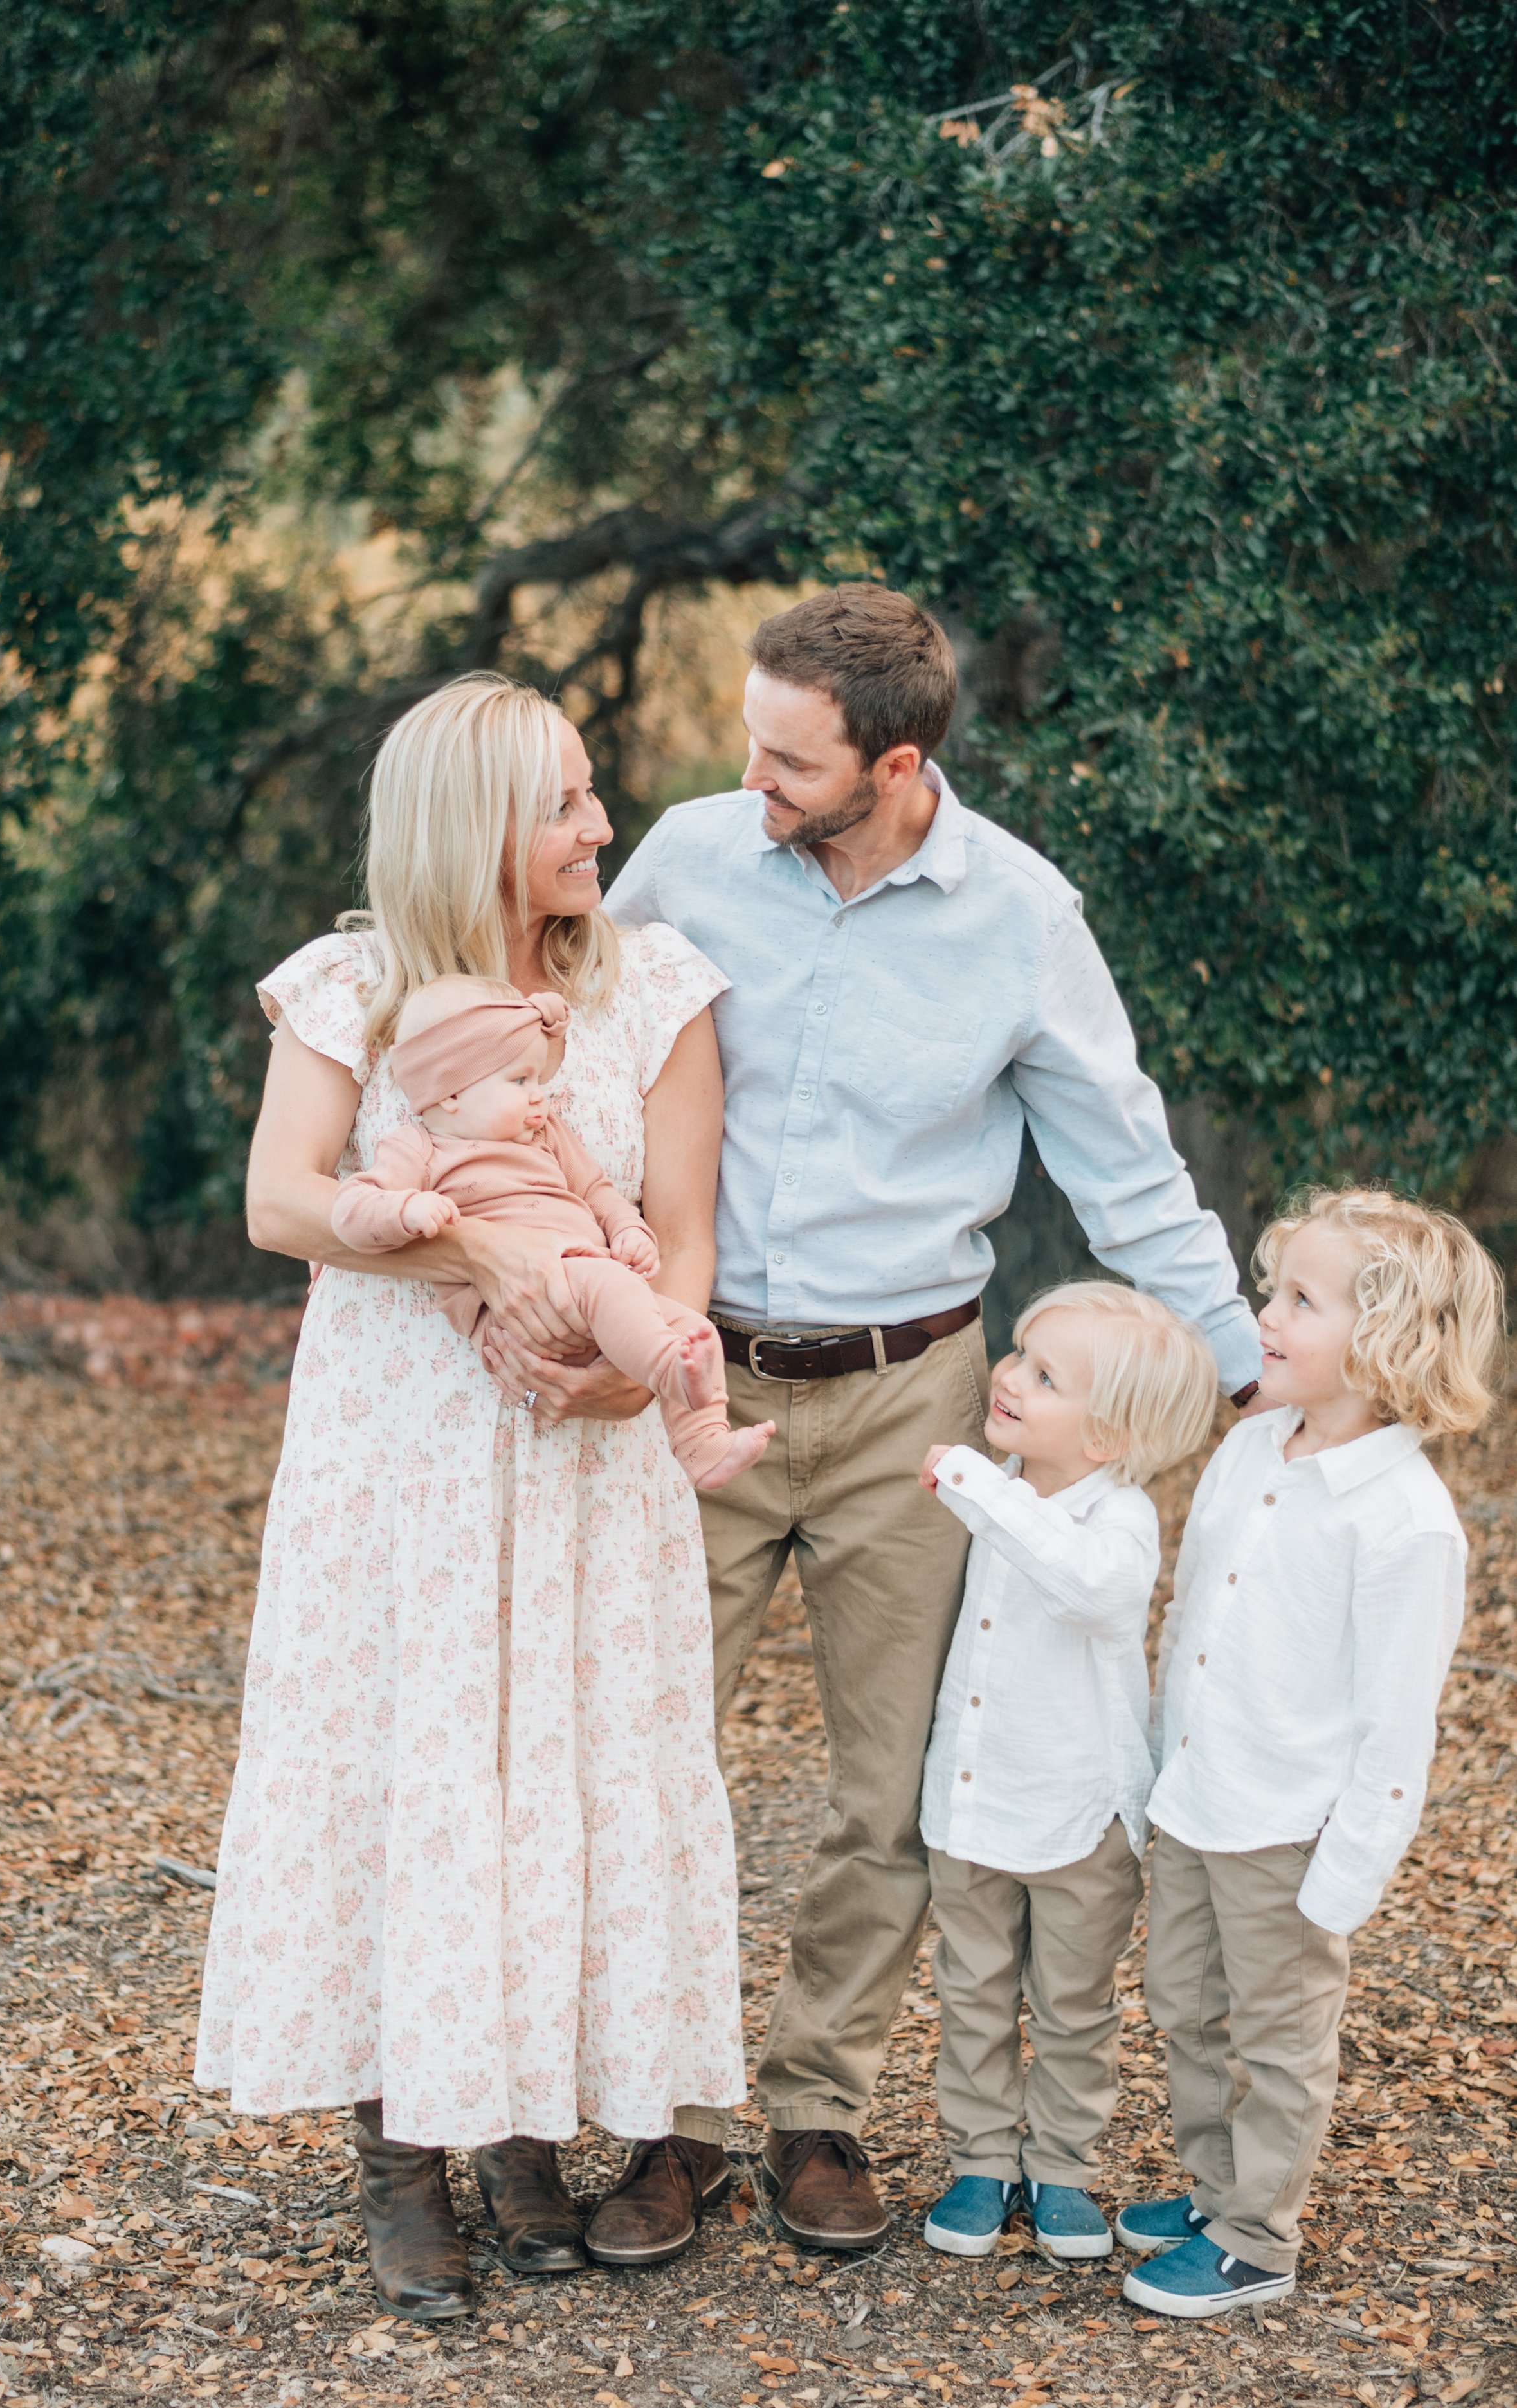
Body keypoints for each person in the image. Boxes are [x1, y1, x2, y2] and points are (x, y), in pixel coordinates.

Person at [603, 582, 1266, 2249]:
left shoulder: (1023, 918)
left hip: (918, 1400)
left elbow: (1124, 1167)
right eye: (748, 744)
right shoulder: (682, 859)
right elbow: (569, 1062)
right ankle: (656, 2124)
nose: (747, 782)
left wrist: (1248, 1375)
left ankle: (818, 2109)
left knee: (888, 1784)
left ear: (895, 763)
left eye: (786, 761)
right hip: (692, 1377)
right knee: (643, 1755)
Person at [195, 673, 748, 2319]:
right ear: (472, 827)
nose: (601, 826)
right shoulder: (354, 985)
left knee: (561, 1780)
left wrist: (635, 1369)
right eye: (567, 803)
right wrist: (487, 1248)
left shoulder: (654, 986)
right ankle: (400, 2157)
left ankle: (518, 2130)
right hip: (399, 1463)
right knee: (407, 1770)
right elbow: (281, 1203)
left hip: (590, 1464)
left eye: (593, 793)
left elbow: (688, 1232)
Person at [1120, 1186, 1502, 2317]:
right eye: (1270, 1289)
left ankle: (1257, 2240)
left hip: (1289, 1831)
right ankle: (1212, 2188)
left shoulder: (1406, 1523)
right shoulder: (1250, 1452)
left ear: (1382, 1339)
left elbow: (1398, 1729)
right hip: (1197, 1797)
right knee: (1185, 2008)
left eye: (1300, 1299)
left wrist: (1344, 1882)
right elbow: (1191, 1621)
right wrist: (1156, 1758)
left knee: (1280, 2043)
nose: (1265, 1314)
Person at [914, 1284, 1217, 2265]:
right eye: (1019, 1354)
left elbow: (1093, 1591)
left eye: (1047, 1377)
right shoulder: (999, 1476)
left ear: (1106, 1438)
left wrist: (981, 1487)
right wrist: (987, 1482)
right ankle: (982, 2154)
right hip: (974, 1797)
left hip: (1080, 1815)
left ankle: (1062, 2166)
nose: (1009, 1376)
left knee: (1075, 2001)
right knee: (973, 1987)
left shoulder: (1118, 1518)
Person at [329, 972, 774, 1490]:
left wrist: (629, 1229)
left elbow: (599, 1191)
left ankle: (703, 1445)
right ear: (450, 1092)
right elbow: (350, 1211)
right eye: (520, 1081)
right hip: (522, 1305)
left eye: (539, 1080)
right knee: (628, 1302)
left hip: (588, 1280)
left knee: (690, 1327)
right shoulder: (418, 1148)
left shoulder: (545, 1132)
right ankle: (672, 1372)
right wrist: (403, 1211)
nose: (539, 1097)